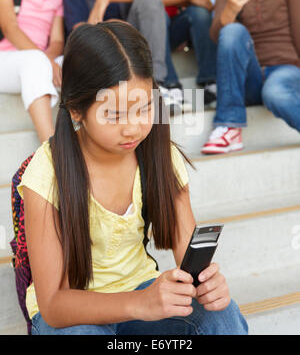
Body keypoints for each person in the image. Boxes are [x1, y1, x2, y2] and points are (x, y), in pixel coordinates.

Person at [18, 20, 248, 335]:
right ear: (75, 110)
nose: (133, 128)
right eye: (113, 114)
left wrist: (209, 286)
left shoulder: (159, 154)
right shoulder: (48, 170)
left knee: (221, 315)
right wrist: (140, 303)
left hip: (141, 290)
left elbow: (188, 251)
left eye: (143, 109)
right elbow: (54, 305)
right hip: (74, 313)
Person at [202, 0, 300, 154]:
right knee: (232, 30)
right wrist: (231, 11)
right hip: (251, 79)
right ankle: (229, 125)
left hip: (286, 71)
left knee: (274, 92)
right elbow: (217, 36)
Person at [0, 0, 67, 143]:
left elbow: (57, 40)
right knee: (34, 61)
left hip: (39, 61)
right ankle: (52, 150)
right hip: (7, 60)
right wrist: (44, 60)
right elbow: (10, 28)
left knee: (77, 61)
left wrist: (48, 60)